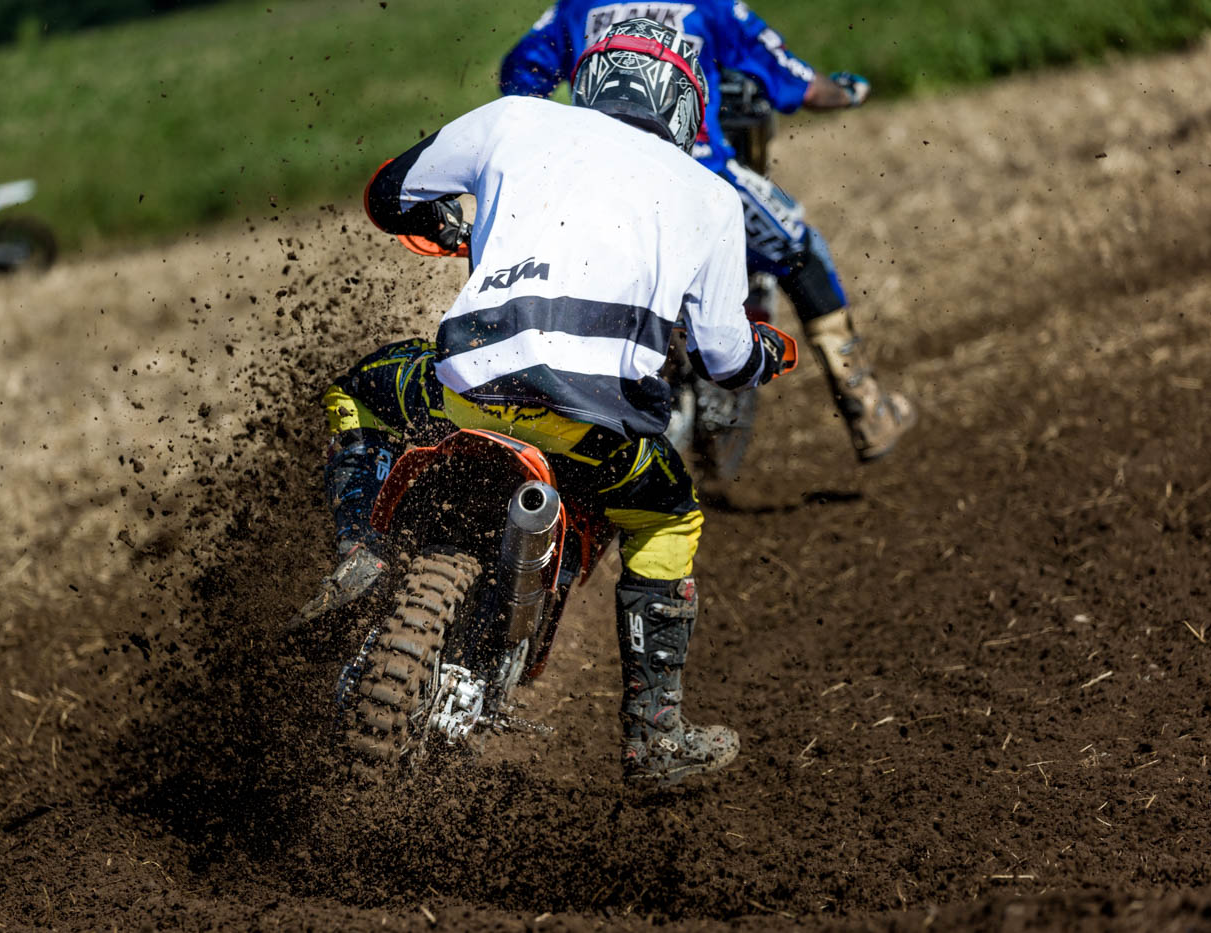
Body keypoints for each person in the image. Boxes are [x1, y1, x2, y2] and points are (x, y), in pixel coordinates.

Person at [307, 19, 797, 785]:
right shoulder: (710, 194)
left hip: (464, 391)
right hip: (596, 435)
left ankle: (358, 551)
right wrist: (769, 350)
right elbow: (726, 359)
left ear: (589, 81)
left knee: (358, 393)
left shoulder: (514, 118)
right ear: (685, 107)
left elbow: (386, 195)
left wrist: (444, 225)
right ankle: (655, 736)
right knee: (670, 516)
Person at [500, 1, 916, 462]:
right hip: (701, 174)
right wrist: (846, 91)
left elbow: (520, 75)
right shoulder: (712, 6)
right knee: (803, 252)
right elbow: (792, 78)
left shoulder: (576, 6)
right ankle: (865, 406)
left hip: (597, 178)